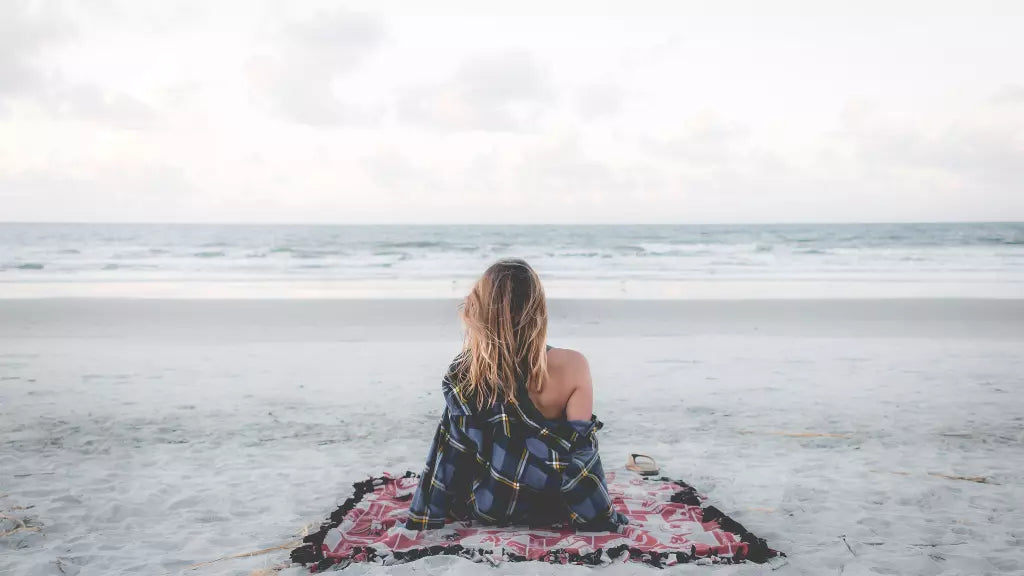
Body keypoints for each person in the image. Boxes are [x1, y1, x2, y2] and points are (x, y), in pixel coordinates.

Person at [405, 259, 626, 531]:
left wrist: (424, 518)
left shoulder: (467, 370)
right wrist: (598, 515)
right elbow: (581, 455)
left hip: (491, 506)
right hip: (555, 508)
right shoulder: (573, 365)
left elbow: (451, 453)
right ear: (536, 309)